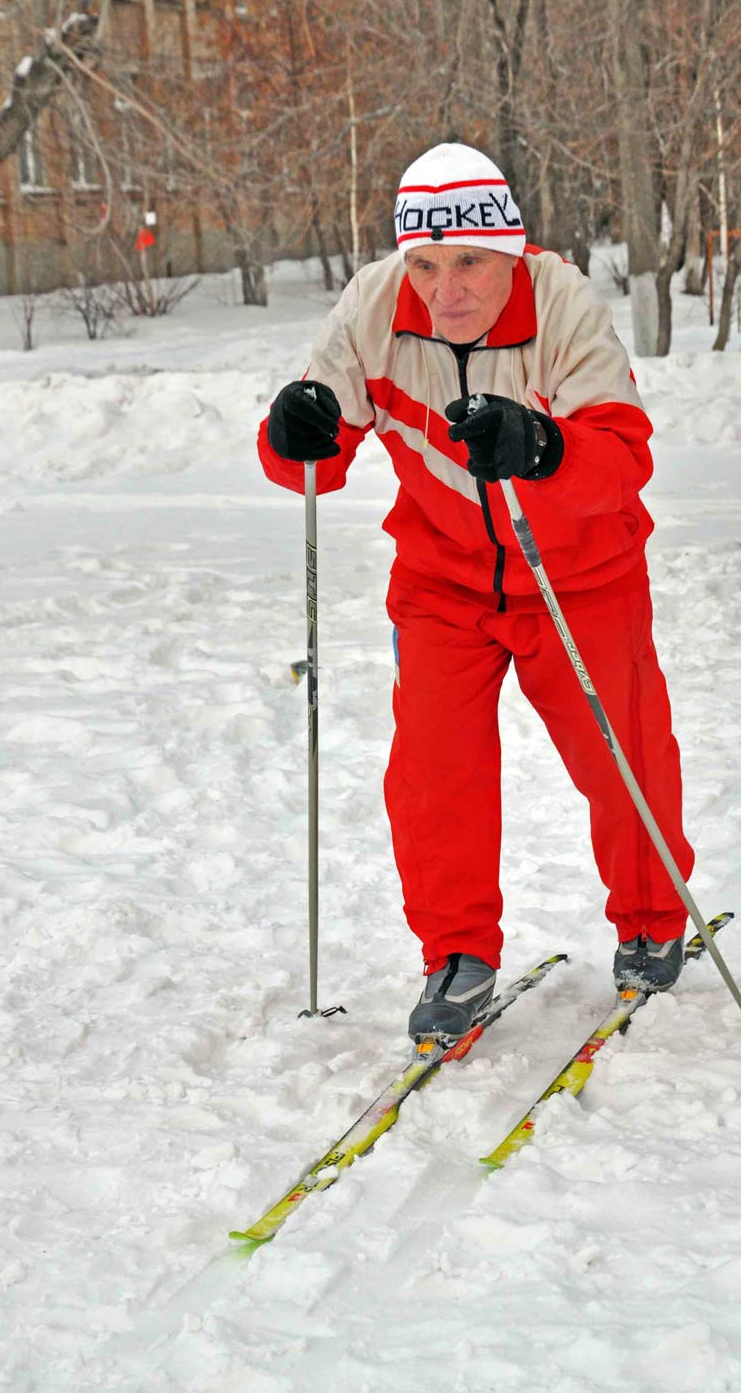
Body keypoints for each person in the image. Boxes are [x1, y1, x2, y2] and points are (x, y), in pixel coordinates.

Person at [258, 142, 695, 1043]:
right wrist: (293, 429)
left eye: (468, 262)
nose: (444, 287)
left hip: (579, 575)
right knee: (433, 770)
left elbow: (623, 452)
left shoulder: (562, 301)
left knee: (624, 754)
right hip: (442, 581)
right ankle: (457, 953)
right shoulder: (376, 307)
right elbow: (313, 451)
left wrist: (542, 447)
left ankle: (651, 918)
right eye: (424, 263)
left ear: (510, 250)